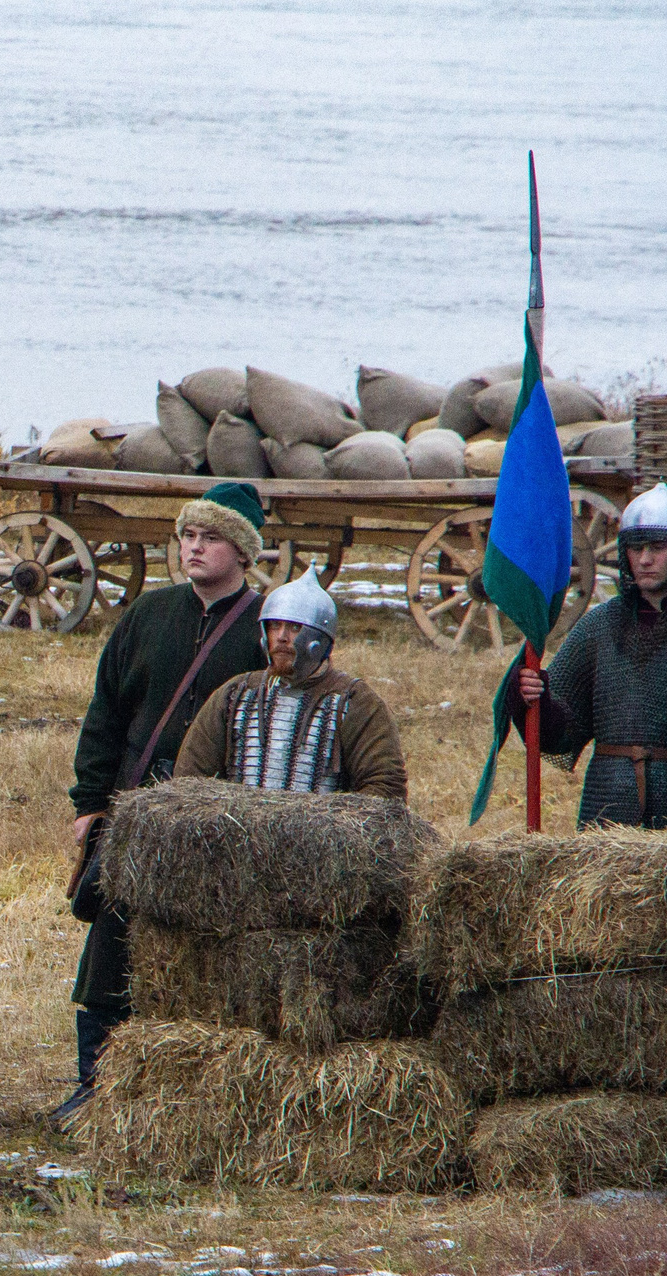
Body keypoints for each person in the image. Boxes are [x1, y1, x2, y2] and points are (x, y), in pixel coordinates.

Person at [57, 482, 270, 1124]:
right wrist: (92, 801)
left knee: (209, 945)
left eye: (209, 537)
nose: (193, 548)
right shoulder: (148, 616)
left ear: (242, 549)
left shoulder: (269, 625)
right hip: (135, 806)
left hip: (222, 814)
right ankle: (95, 1084)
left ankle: (199, 1091)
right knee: (112, 940)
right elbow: (106, 714)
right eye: (187, 536)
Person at [504, 482, 667, 828]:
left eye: (658, 547)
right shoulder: (599, 626)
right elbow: (561, 736)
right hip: (610, 804)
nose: (644, 559)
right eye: (636, 548)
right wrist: (531, 698)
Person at [175, 571, 406, 798]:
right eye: (275, 625)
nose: (282, 637)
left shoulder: (354, 701)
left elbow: (384, 787)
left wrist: (329, 825)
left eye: (295, 628)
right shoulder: (236, 694)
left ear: (319, 638)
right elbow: (192, 777)